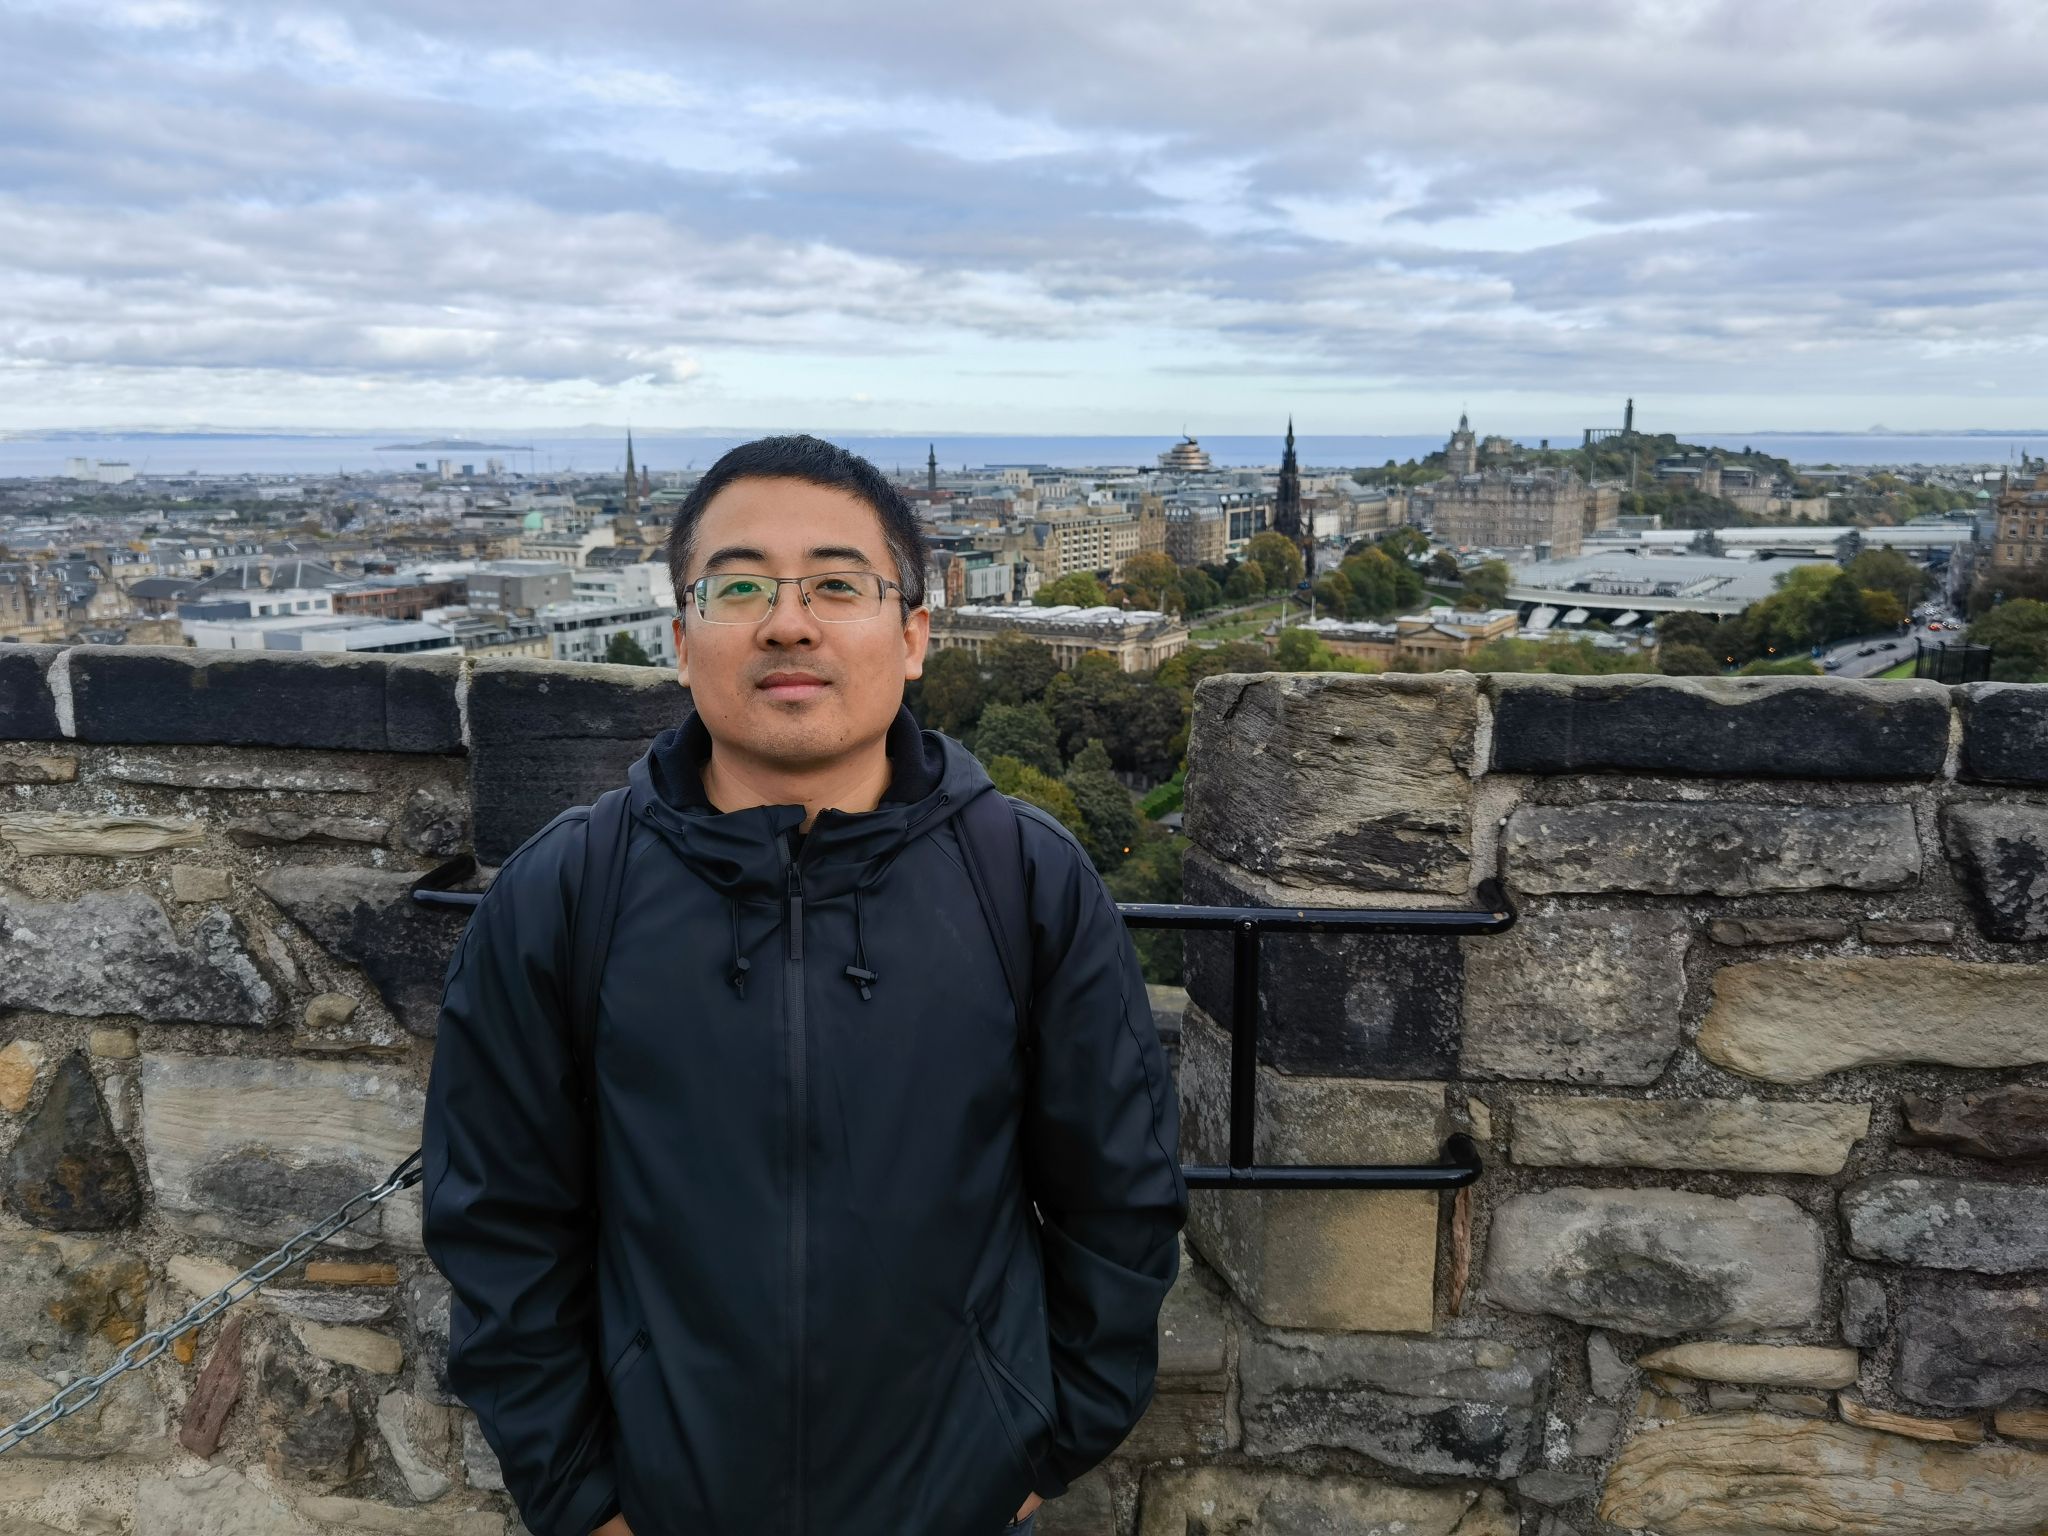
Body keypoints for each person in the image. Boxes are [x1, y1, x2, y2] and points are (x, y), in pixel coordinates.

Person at [421, 435, 1187, 1536]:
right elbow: (501, 1223)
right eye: (739, 587)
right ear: (681, 639)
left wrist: (1045, 1441)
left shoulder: (1025, 879)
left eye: (837, 584)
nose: (788, 622)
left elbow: (1117, 1192)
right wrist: (580, 1497)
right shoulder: (562, 893)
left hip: (958, 1505)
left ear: (913, 634)